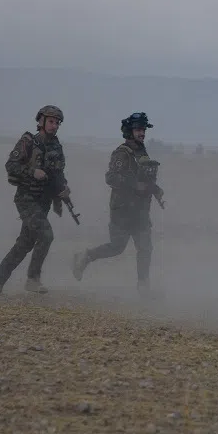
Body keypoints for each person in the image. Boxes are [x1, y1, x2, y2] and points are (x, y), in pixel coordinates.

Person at [71, 112, 164, 296]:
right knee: (117, 247)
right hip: (123, 210)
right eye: (138, 130)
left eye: (143, 130)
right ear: (129, 131)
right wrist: (134, 185)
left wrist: (156, 189)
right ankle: (86, 256)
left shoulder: (141, 152)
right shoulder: (123, 153)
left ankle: (143, 286)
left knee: (145, 248)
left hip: (140, 210)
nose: (142, 133)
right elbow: (111, 177)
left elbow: (145, 178)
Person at [0, 105, 70, 296]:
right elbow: (11, 165)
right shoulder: (28, 141)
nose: (55, 126)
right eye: (51, 121)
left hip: (43, 201)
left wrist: (64, 188)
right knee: (46, 235)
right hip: (27, 198)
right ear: (41, 121)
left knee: (25, 243)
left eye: (57, 123)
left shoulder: (56, 146)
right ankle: (33, 279)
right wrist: (32, 171)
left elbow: (58, 173)